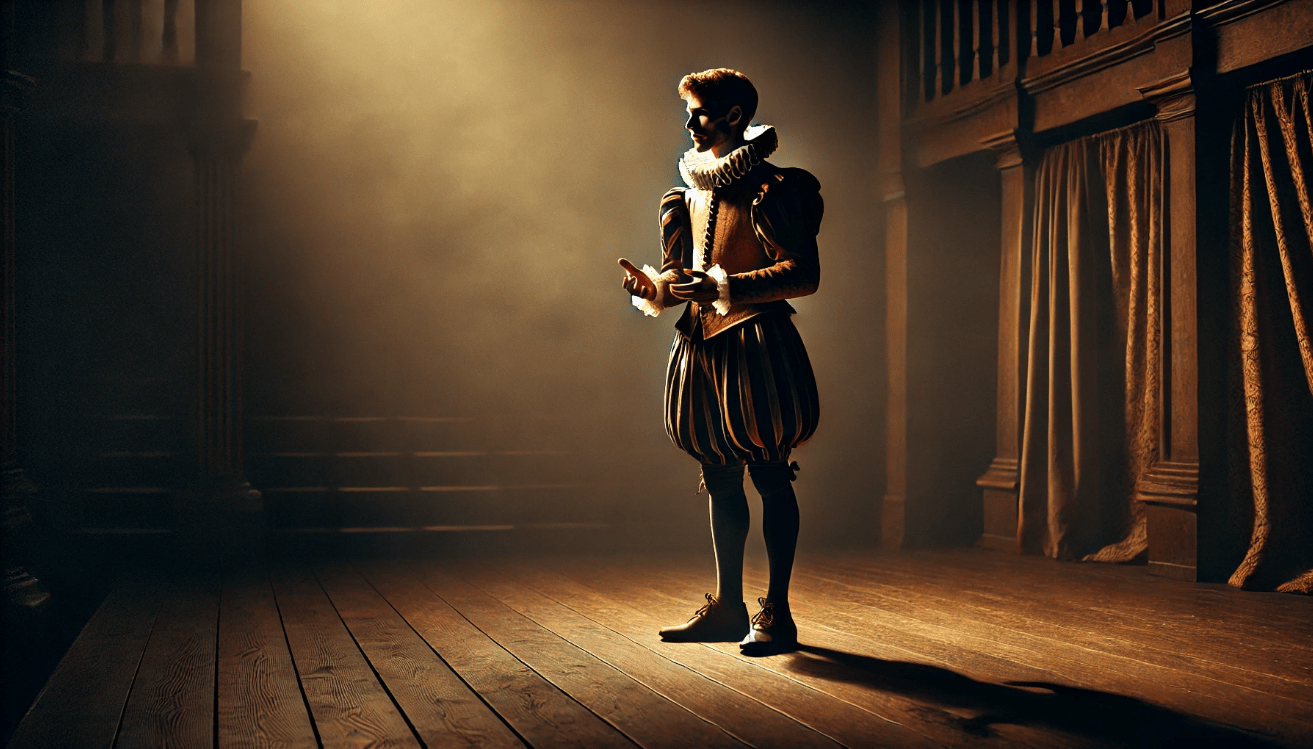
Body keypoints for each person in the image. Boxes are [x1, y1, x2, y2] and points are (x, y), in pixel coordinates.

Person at [618, 68, 822, 655]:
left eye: (701, 112)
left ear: (734, 116)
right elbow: (680, 276)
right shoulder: (681, 196)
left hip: (757, 344)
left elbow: (802, 273)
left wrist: (724, 286)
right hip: (700, 345)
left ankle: (777, 613)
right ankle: (729, 608)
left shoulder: (775, 188)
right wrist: (656, 289)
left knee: (769, 473)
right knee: (719, 474)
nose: (690, 123)